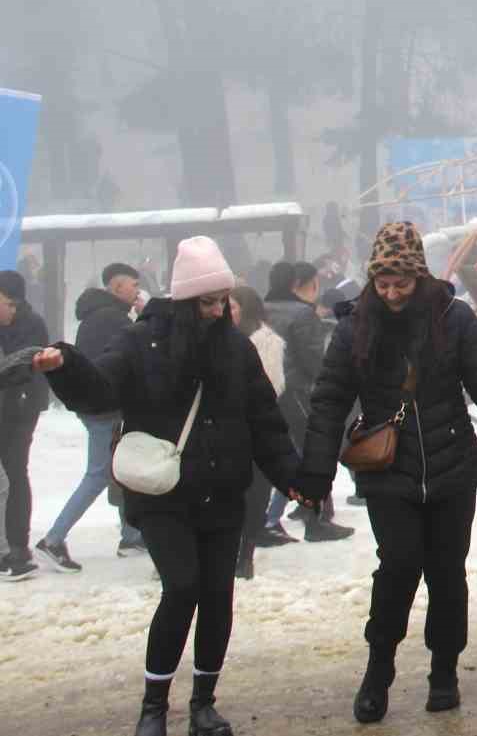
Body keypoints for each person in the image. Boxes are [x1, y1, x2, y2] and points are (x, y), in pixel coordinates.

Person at [32, 237, 310, 736]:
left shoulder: (236, 347)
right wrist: (66, 366)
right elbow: (99, 389)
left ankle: (203, 703)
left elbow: (266, 420)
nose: (217, 310)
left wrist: (296, 480)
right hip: (163, 494)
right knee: (182, 588)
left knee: (218, 594)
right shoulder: (142, 342)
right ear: (182, 302)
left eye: (222, 299)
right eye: (206, 301)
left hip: (225, 492)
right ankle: (154, 707)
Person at [299, 221, 477, 723]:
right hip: (387, 468)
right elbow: (329, 402)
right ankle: (378, 671)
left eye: (402, 283)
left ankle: (444, 670)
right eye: (383, 283)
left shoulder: (454, 320)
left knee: (446, 572)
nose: (392, 293)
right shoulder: (355, 326)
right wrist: (314, 475)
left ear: (420, 276)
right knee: (396, 568)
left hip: (452, 466)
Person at [34, 263, 147, 573]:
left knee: (123, 468)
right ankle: (53, 540)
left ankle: (132, 535)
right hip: (105, 406)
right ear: (116, 288)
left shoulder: (95, 317)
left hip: (93, 404)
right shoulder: (113, 319)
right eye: (133, 284)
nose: (137, 290)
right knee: (98, 474)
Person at [259, 261, 352, 546]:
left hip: (268, 394)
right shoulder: (302, 314)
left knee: (282, 457)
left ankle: (269, 519)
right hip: (298, 393)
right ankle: (315, 522)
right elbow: (315, 360)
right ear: (300, 285)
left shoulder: (262, 310)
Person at [231, 287, 286, 580]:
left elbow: (273, 385)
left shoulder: (267, 342)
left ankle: (246, 553)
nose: (227, 311)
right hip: (224, 431)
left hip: (254, 429)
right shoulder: (216, 338)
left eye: (233, 305)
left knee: (254, 495)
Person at [0, 270, 50, 573]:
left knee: (15, 471)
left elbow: (26, 367)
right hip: (6, 406)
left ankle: (18, 544)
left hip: (20, 410)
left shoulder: (30, 324)